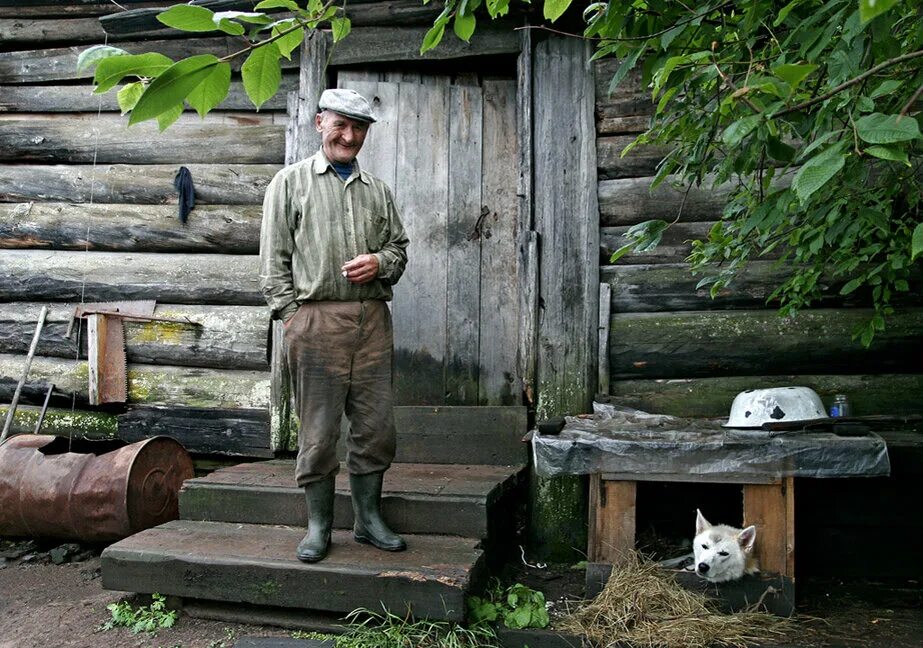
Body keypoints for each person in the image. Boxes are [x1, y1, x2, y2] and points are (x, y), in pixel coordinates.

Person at [259, 88, 410, 563]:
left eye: (358, 127)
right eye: (340, 125)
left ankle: (368, 521)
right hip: (315, 321)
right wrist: (292, 317)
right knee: (320, 433)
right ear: (319, 122)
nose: (349, 136)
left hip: (371, 324)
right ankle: (319, 526)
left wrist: (380, 263)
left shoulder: (378, 191)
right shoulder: (289, 183)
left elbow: (399, 250)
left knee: (376, 427)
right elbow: (273, 262)